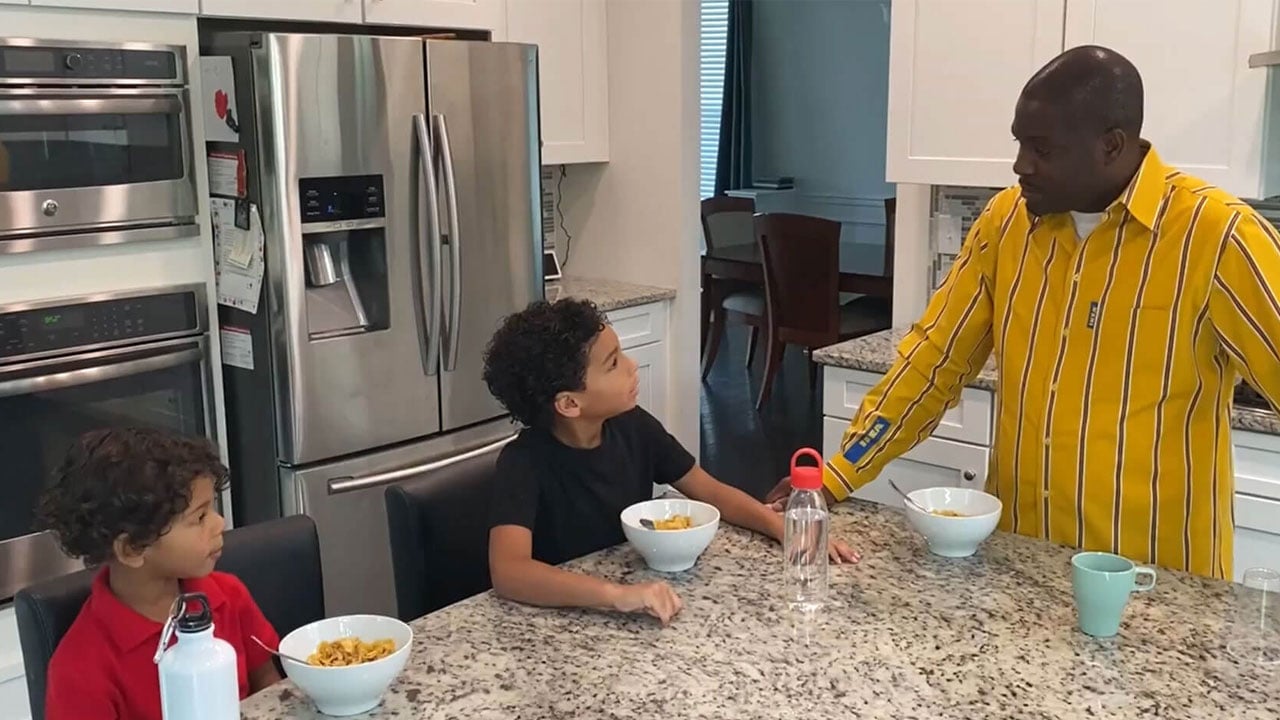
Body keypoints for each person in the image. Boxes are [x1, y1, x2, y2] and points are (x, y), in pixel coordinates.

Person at [768, 45, 1280, 580]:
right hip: (1022, 567)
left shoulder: (1218, 236)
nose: (1020, 165)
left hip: (1157, 584)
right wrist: (837, 473)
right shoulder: (1005, 224)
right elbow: (932, 362)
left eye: (1042, 149)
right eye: (1019, 143)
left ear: (1111, 146)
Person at [484, 299, 859, 625]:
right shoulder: (523, 463)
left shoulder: (634, 428)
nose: (632, 366)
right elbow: (510, 572)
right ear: (569, 403)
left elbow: (711, 492)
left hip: (633, 597)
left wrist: (784, 529)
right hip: (560, 623)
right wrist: (615, 595)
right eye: (613, 364)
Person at [38, 428, 281, 720]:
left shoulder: (229, 596)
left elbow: (269, 688)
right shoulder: (79, 670)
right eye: (200, 517)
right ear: (132, 549)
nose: (219, 523)